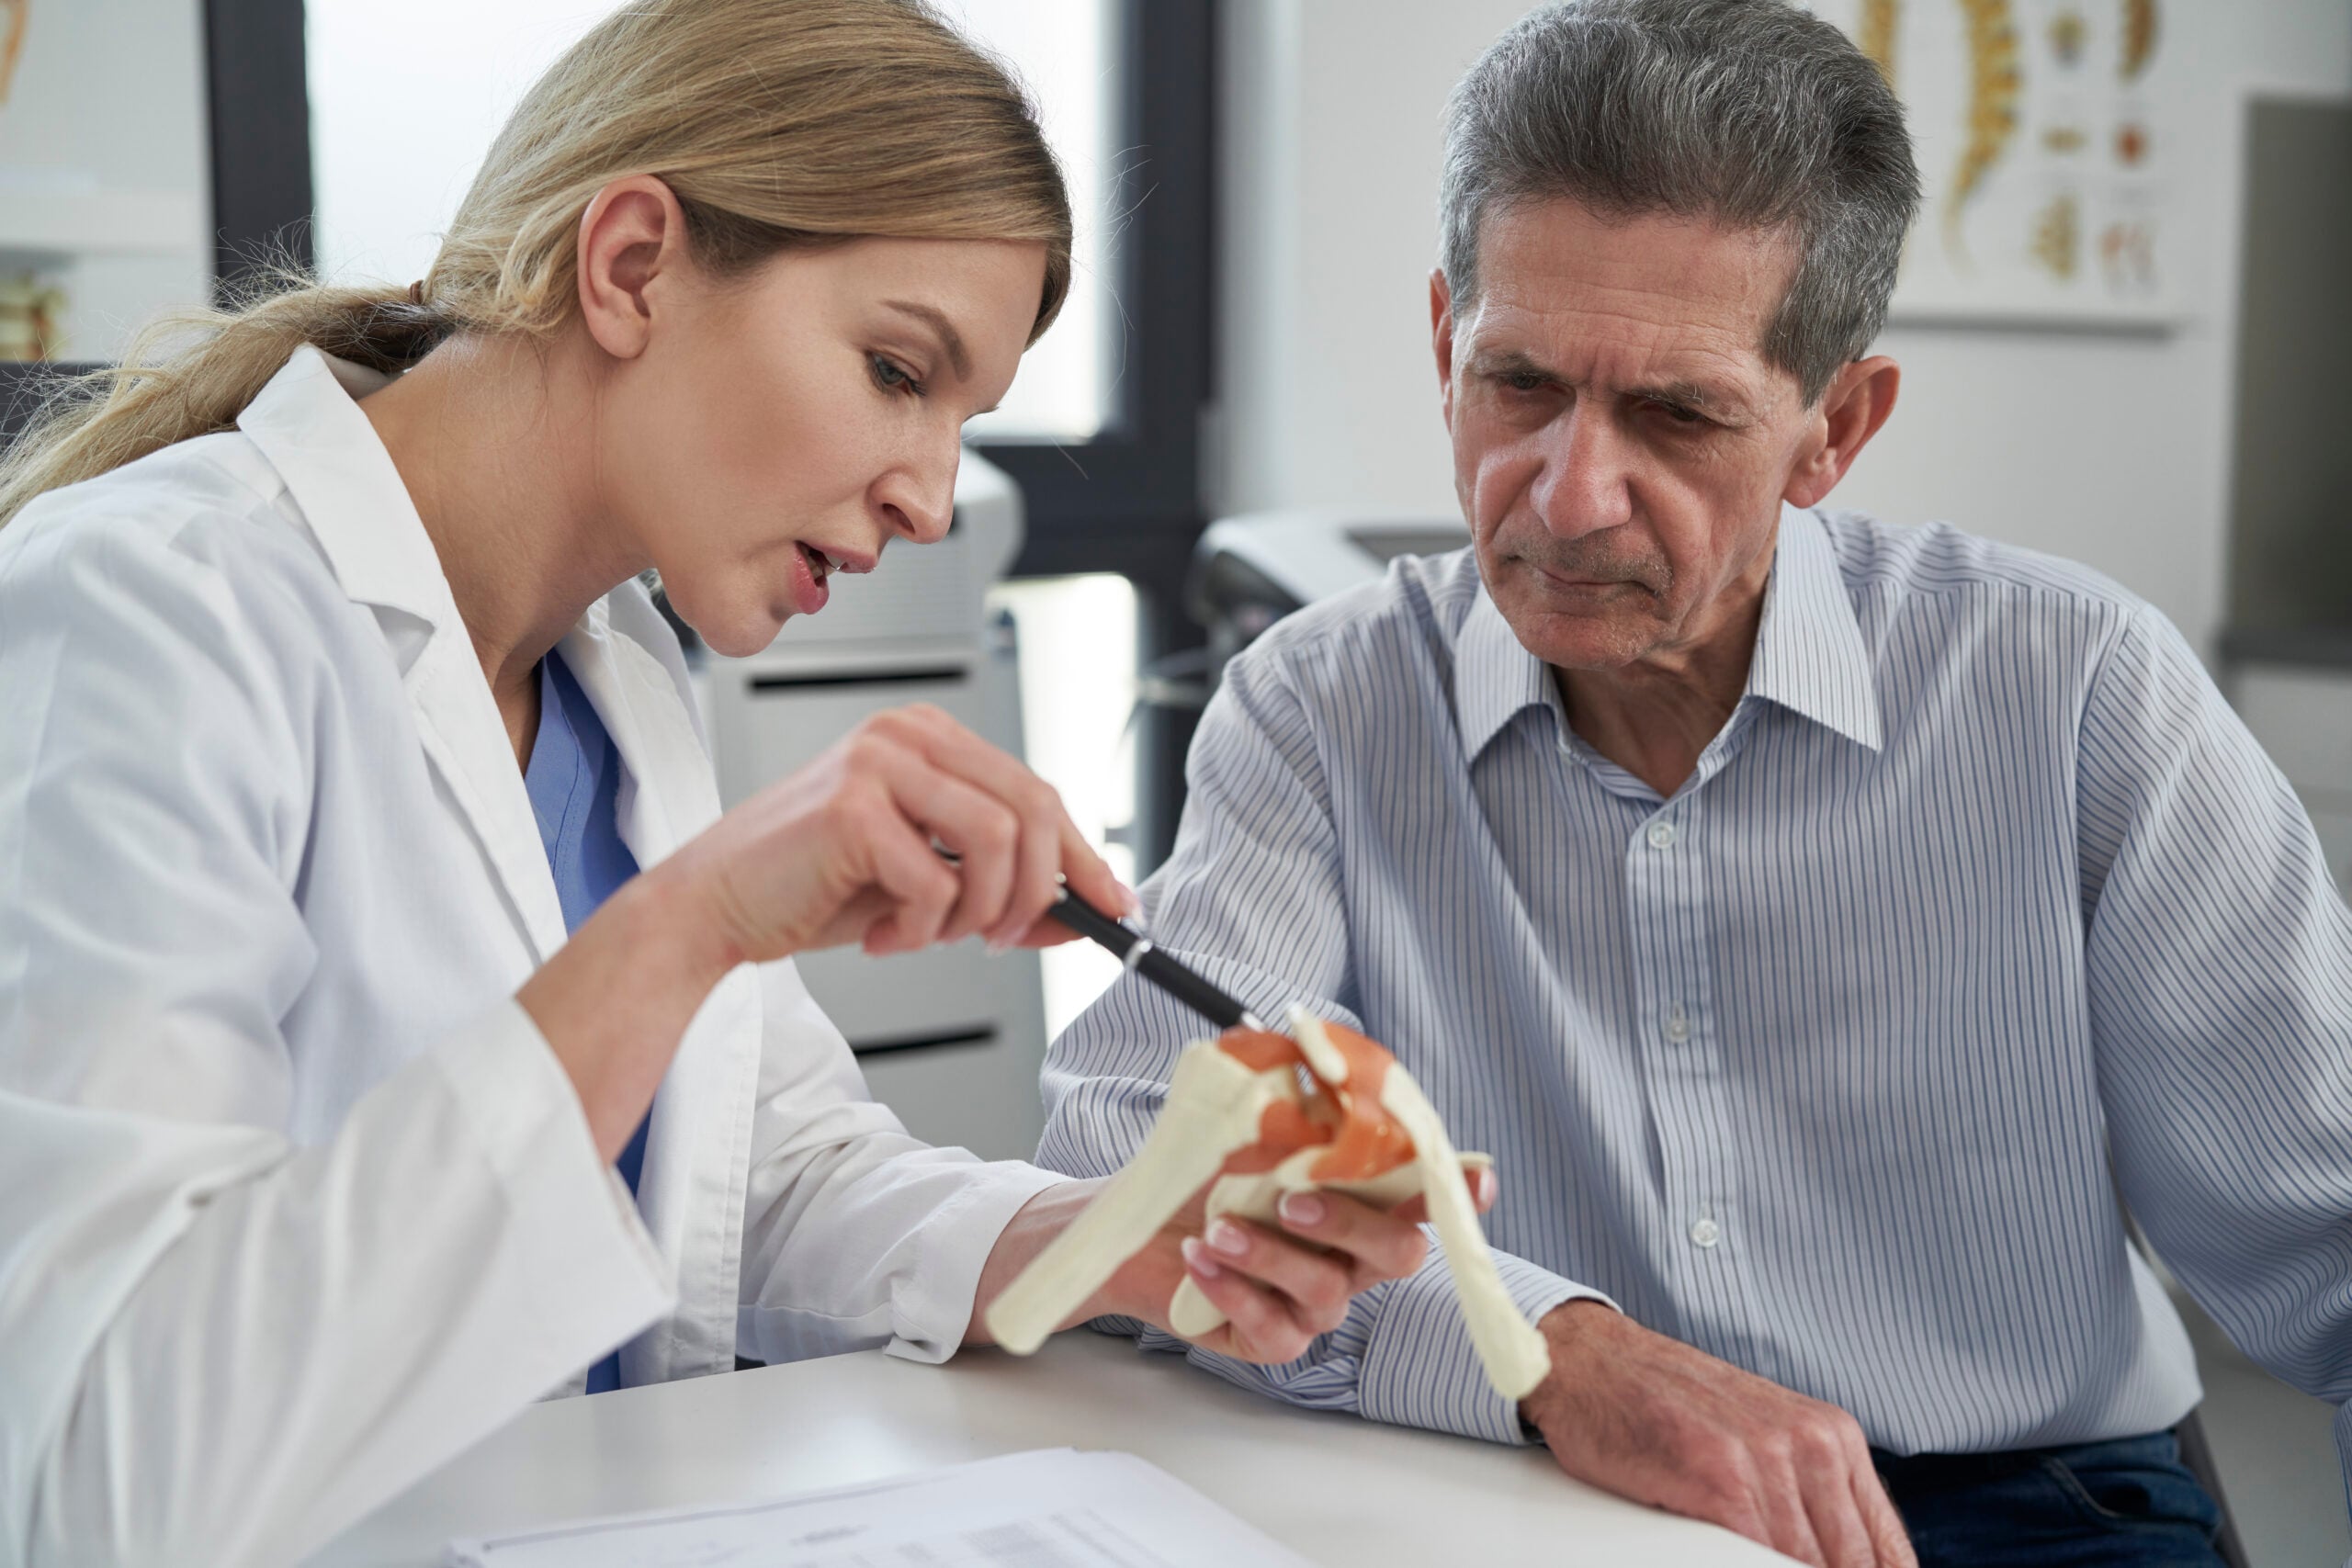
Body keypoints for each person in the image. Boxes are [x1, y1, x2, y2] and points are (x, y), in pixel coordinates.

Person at [0, 5, 1455, 1564]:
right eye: (899, 369)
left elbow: (768, 1173)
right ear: (631, 264)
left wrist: (1110, 1242)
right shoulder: (147, 614)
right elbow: (98, 1463)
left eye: (963, 421)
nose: (930, 495)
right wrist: (688, 922)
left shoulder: (611, 668)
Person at [1039, 3, 2352, 1566]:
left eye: (1677, 415)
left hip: (2015, 1503)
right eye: (1520, 386)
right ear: (1448, 343)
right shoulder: (1320, 707)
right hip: (1516, 1487)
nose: (1571, 496)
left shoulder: (2076, 695)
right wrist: (1547, 1354)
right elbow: (1126, 1168)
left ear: (1834, 429)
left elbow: (2327, 1242)